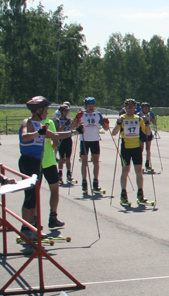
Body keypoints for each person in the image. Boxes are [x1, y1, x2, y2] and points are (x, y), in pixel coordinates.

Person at [19, 97, 76, 238]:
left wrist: (75, 132)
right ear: (39, 110)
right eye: (45, 110)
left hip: (37, 161)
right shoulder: (29, 122)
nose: (47, 112)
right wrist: (38, 133)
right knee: (30, 197)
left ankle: (31, 227)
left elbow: (56, 135)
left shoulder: (40, 124)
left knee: (33, 197)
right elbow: (25, 137)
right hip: (28, 161)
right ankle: (26, 229)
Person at [111, 99, 150, 206]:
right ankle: (123, 194)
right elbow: (114, 133)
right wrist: (118, 124)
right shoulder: (122, 118)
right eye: (128, 107)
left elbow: (148, 133)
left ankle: (140, 194)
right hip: (126, 148)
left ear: (135, 108)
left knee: (138, 171)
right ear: (125, 108)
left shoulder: (138, 119)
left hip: (136, 147)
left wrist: (147, 124)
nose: (130, 109)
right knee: (125, 171)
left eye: (132, 107)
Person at [76, 96, 109, 196]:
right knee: (84, 162)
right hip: (84, 140)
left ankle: (95, 182)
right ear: (85, 106)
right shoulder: (82, 114)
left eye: (92, 105)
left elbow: (106, 128)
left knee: (96, 162)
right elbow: (73, 126)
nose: (91, 108)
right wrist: (77, 118)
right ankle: (84, 182)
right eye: (89, 106)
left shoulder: (97, 114)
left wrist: (106, 123)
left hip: (95, 140)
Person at [52, 103, 75, 184]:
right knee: (62, 158)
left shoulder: (69, 120)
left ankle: (69, 173)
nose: (66, 112)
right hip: (61, 140)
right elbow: (58, 131)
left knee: (68, 158)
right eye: (65, 111)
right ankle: (60, 174)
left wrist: (73, 123)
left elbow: (72, 128)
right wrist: (65, 124)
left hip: (68, 140)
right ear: (61, 112)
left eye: (67, 111)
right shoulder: (58, 120)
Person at [139, 102, 157, 172]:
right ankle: (139, 164)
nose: (146, 109)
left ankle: (147, 164)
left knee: (148, 149)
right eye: (144, 107)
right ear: (142, 108)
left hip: (148, 132)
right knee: (141, 149)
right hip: (141, 132)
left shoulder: (150, 115)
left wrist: (153, 117)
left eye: (147, 107)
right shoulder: (139, 115)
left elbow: (155, 123)